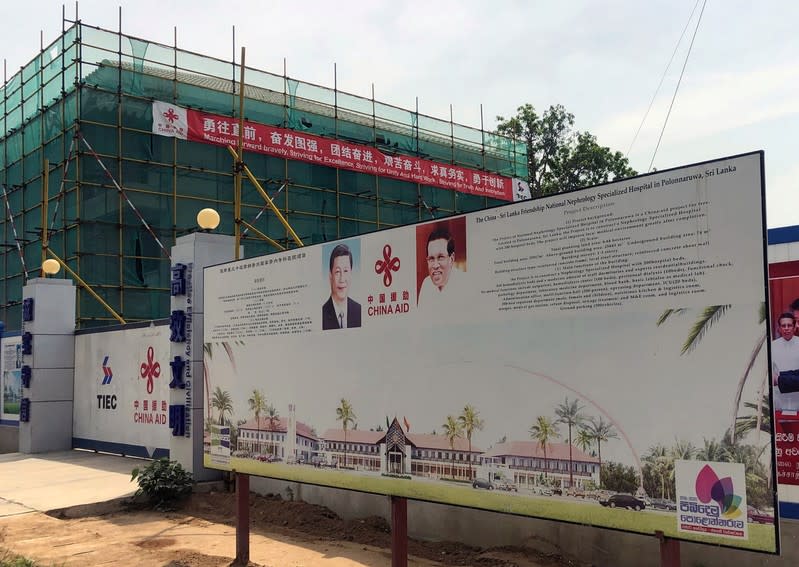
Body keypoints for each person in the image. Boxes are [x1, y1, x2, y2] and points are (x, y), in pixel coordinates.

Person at [417, 227, 463, 309]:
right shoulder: (427, 283)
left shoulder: (465, 283)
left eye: (440, 257)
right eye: (431, 259)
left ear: (451, 259)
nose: (435, 265)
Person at [322, 244, 361, 330]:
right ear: (330, 276)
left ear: (351, 274)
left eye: (346, 271)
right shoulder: (321, 314)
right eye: (337, 272)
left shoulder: (359, 311)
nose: (342, 279)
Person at [772, 312, 799, 405]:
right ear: (779, 328)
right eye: (783, 326)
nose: (786, 328)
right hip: (779, 395)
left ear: (795, 327)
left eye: (789, 325)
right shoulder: (772, 346)